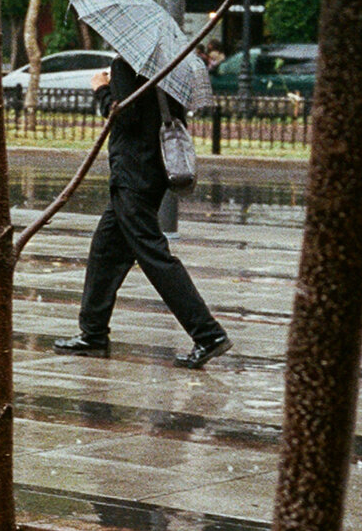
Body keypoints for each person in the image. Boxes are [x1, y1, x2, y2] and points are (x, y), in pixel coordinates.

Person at [53, 57, 230, 368]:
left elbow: (125, 116)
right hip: (153, 172)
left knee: (154, 256)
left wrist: (102, 90)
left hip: (131, 175)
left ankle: (208, 333)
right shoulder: (172, 66)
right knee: (104, 251)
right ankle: (93, 332)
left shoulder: (125, 66)